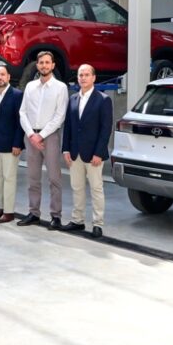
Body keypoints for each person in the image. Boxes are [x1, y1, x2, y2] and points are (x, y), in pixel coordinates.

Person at [17, 50, 68, 230]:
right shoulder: (30, 86)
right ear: (37, 65)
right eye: (41, 63)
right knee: (33, 178)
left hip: (50, 137)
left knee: (54, 178)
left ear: (53, 65)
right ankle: (34, 213)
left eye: (47, 62)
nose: (44, 65)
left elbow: (60, 116)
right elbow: (22, 112)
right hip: (31, 137)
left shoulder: (60, 87)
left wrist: (42, 135)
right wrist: (31, 134)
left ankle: (56, 216)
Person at [61, 64, 113, 239]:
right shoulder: (73, 99)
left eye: (86, 75)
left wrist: (99, 153)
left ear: (94, 78)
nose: (83, 78)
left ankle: (97, 223)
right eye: (80, 75)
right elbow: (68, 126)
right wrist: (65, 149)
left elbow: (106, 129)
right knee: (77, 188)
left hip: (93, 155)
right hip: (75, 152)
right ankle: (78, 220)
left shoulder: (103, 100)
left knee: (96, 189)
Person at [0, 65, 24, 224]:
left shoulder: (17, 95)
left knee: (9, 178)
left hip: (10, 145)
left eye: (2, 74)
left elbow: (20, 122)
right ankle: (1, 208)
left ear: (8, 77)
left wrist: (18, 143)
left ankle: (9, 212)